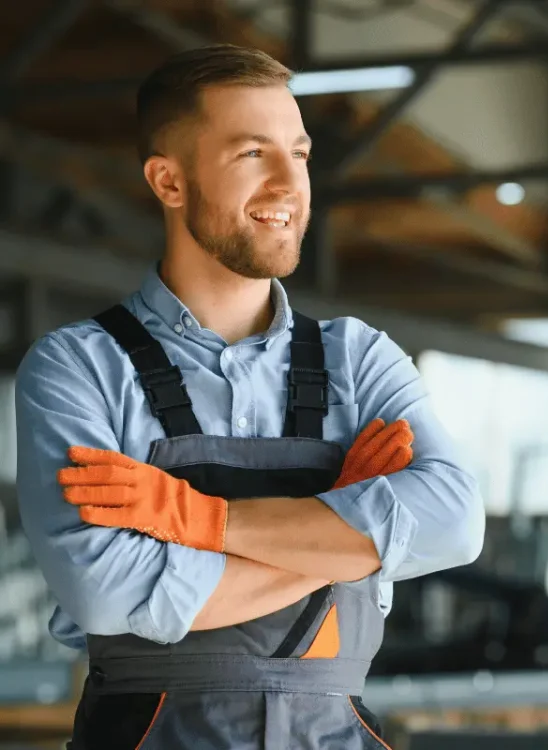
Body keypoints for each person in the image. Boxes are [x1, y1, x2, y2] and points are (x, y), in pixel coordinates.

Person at [15, 44, 485, 750]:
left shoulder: (359, 359)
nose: (287, 182)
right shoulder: (77, 368)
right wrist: (345, 533)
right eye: (251, 155)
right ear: (168, 182)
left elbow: (454, 523)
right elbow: (106, 593)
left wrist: (203, 522)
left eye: (298, 153)